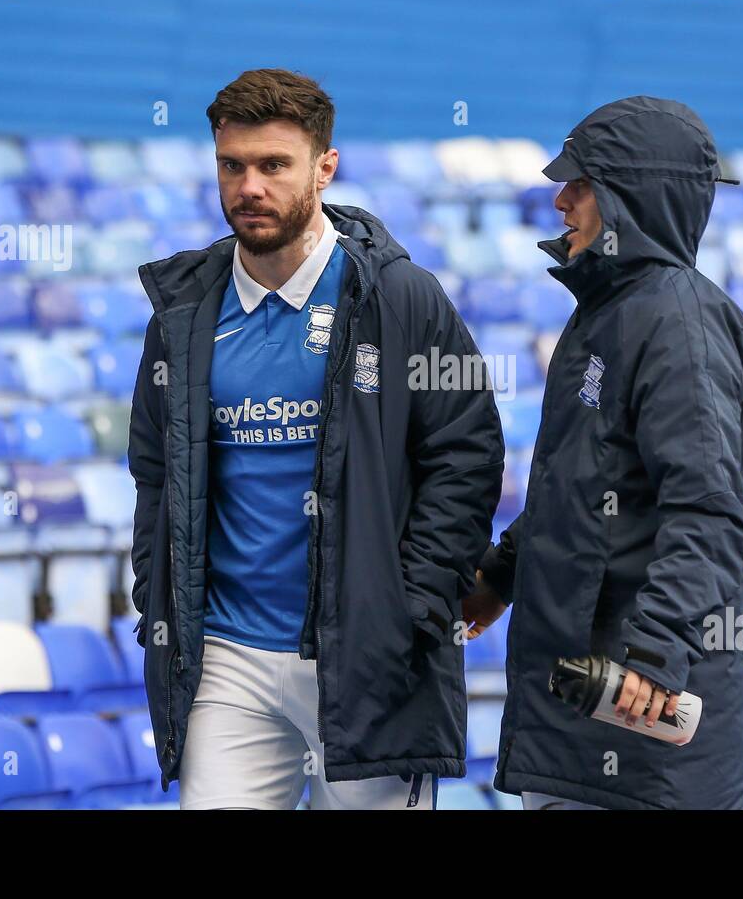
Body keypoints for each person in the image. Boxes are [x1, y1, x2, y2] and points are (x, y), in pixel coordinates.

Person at [128, 68, 503, 809]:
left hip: (366, 659)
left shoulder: (401, 297)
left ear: (324, 168)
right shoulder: (183, 310)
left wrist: (415, 609)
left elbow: (465, 455)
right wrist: (157, 591)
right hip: (225, 657)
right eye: (232, 166)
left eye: (274, 166)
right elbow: (152, 470)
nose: (249, 187)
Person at [463, 96, 743, 810]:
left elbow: (709, 517)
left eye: (581, 183)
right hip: (579, 721)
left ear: (634, 197)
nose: (560, 199)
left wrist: (653, 657)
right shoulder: (612, 310)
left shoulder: (677, 324)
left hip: (642, 748)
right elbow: (584, 489)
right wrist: (503, 575)